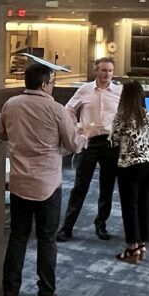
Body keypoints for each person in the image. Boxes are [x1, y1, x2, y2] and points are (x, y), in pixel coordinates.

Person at [0, 60, 83, 296]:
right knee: (47, 239)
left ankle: (10, 294)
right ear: (45, 84)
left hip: (19, 181)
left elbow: (2, 135)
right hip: (47, 184)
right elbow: (73, 144)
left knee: (17, 236)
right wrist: (84, 136)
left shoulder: (10, 104)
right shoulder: (56, 109)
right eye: (52, 83)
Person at [59, 57, 121, 241]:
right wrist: (77, 127)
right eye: (103, 70)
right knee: (80, 186)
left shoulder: (119, 91)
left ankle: (101, 225)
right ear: (96, 70)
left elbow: (125, 113)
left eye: (110, 71)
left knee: (107, 187)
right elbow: (68, 109)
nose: (107, 74)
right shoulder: (85, 89)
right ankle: (67, 227)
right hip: (90, 142)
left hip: (110, 143)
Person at [110, 80, 149, 265]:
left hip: (128, 166)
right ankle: (142, 244)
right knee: (144, 205)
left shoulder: (122, 117)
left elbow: (114, 140)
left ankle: (132, 248)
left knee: (129, 207)